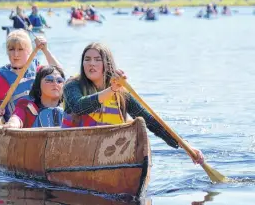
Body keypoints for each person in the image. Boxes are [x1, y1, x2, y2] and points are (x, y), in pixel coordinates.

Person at [61, 42, 205, 165]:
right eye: (87, 59)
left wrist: (185, 146)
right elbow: (78, 107)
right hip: (78, 150)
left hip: (109, 154)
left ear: (107, 64)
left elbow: (150, 121)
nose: (91, 63)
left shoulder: (121, 93)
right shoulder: (72, 85)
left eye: (97, 59)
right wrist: (111, 90)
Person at [0, 29, 63, 125]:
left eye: (20, 49)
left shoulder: (40, 72)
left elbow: (60, 75)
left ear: (29, 51)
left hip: (44, 123)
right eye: (11, 50)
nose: (15, 54)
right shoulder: (0, 81)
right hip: (16, 127)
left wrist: (45, 50)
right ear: (7, 52)